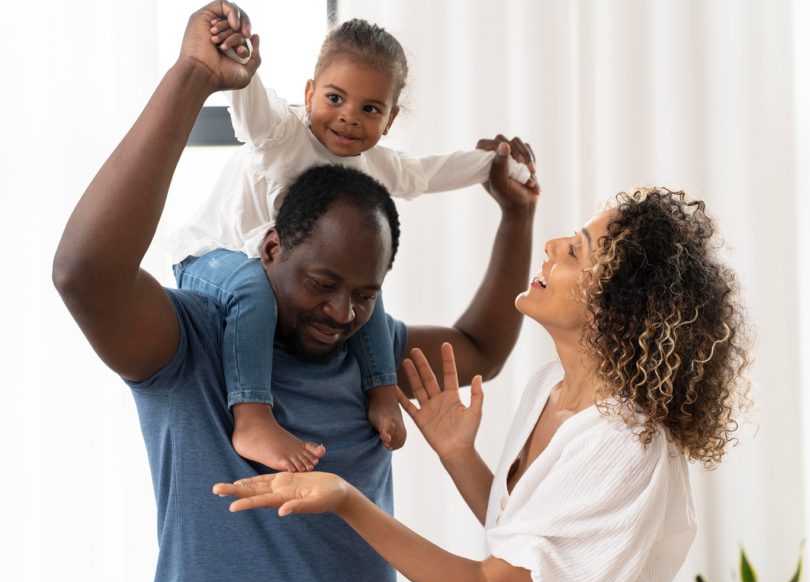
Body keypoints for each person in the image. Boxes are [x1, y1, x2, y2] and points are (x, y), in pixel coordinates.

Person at [51, 2, 538, 582]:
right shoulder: (195, 344)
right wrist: (194, 76)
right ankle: (252, 417)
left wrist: (516, 214)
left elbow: (479, 347)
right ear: (273, 250)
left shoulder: (365, 344)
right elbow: (85, 274)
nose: (340, 313)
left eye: (364, 292)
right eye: (321, 285)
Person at [215, 186, 752, 582]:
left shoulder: (624, 440)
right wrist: (457, 454)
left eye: (576, 253)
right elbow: (523, 540)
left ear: (620, 305)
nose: (553, 245)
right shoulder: (551, 390)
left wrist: (347, 501)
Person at [168, 7, 537, 473]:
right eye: (335, 98)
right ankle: (253, 416)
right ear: (309, 93)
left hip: (274, 277)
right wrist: (243, 64)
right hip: (216, 259)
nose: (348, 119)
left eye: (369, 109)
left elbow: (427, 174)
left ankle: (382, 387)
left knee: (365, 291)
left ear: (389, 118)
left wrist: (495, 166)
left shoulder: (375, 165)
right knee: (252, 288)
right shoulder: (283, 134)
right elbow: (252, 108)